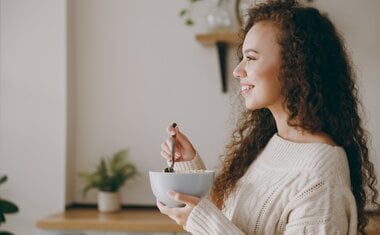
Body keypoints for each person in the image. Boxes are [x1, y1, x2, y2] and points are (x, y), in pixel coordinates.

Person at [158, 0, 379, 234]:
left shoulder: (321, 174)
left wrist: (202, 221)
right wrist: (189, 167)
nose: (238, 70)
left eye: (251, 58)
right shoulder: (273, 143)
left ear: (295, 65)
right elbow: (233, 220)